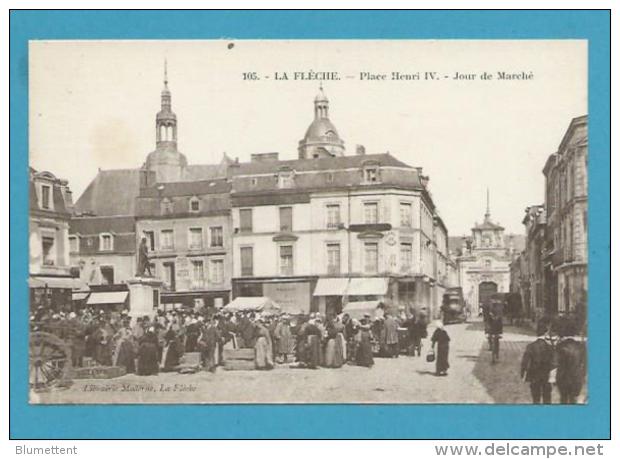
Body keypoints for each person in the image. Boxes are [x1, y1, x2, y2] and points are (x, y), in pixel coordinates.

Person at [520, 322, 554, 404]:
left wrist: (522, 374)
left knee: (535, 399)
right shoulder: (550, 347)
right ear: (545, 333)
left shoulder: (531, 346)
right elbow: (553, 363)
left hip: (534, 376)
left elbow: (524, 362)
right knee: (547, 399)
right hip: (546, 376)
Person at [555, 318, 586, 404]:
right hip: (576, 378)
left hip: (563, 379)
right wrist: (582, 376)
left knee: (563, 399)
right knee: (573, 400)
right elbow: (585, 365)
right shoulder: (581, 346)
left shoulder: (560, 346)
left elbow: (555, 363)